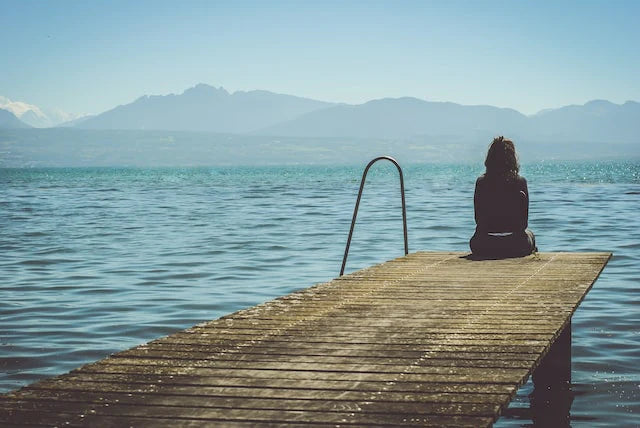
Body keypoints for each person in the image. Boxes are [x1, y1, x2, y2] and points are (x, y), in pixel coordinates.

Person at [470, 136, 536, 257]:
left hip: (484, 244)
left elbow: (478, 219)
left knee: (474, 240)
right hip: (516, 244)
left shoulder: (481, 182)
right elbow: (524, 224)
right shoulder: (520, 182)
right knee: (530, 234)